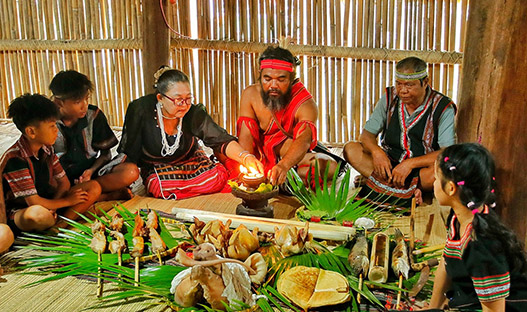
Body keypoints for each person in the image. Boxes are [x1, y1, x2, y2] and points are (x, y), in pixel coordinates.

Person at [372, 143, 527, 312]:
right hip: (469, 309)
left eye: (437, 178)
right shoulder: (459, 217)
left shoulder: (481, 243)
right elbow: (446, 262)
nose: (434, 183)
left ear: (451, 188)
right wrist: (433, 310)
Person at [116, 67, 263, 200]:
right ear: (161, 98)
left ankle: (191, 187)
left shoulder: (192, 113)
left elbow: (220, 139)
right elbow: (130, 150)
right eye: (178, 100)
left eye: (188, 99)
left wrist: (246, 157)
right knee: (158, 186)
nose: (185, 105)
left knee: (216, 178)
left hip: (190, 161)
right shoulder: (141, 110)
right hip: (158, 167)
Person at [343, 57, 456, 207]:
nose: (402, 90)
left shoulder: (442, 107)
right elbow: (367, 135)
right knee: (351, 149)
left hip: (420, 171)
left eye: (409, 85)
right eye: (399, 84)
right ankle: (404, 190)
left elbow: (447, 152)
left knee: (439, 173)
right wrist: (377, 153)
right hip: (388, 166)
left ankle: (377, 183)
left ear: (426, 82)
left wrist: (410, 164)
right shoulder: (390, 98)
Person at [232, 45, 343, 187]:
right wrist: (247, 165)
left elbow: (304, 141)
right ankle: (280, 180)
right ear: (260, 76)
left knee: (328, 167)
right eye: (267, 79)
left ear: (291, 79)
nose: (273, 85)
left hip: (290, 158)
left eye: (281, 79)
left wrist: (284, 166)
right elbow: (245, 135)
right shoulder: (250, 94)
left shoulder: (305, 103)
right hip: (258, 157)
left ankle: (285, 178)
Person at [1, 94, 101, 237]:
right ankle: (58, 219)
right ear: (31, 132)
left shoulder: (47, 150)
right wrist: (66, 201)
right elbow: (33, 202)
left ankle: (60, 225)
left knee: (93, 187)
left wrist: (55, 204)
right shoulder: (15, 159)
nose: (56, 130)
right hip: (21, 212)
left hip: (49, 202)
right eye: (52, 126)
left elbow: (64, 183)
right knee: (38, 214)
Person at [49, 70, 139, 200]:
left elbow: (105, 154)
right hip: (60, 179)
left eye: (86, 99)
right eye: (77, 102)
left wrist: (91, 171)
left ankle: (86, 194)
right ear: (59, 102)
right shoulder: (47, 121)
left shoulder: (93, 115)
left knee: (130, 172)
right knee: (48, 186)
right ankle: (102, 196)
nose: (84, 106)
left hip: (93, 173)